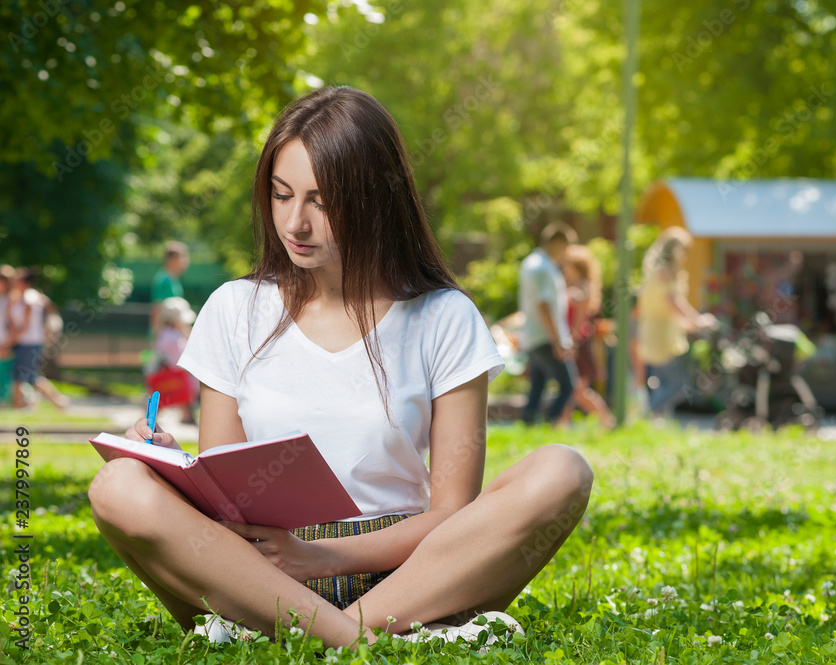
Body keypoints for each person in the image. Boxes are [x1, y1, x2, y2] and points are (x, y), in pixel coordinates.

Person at [87, 86, 593, 649]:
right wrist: (166, 466)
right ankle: (359, 644)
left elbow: (452, 514)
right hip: (260, 573)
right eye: (281, 195)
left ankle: (335, 636)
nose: (295, 223)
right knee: (119, 485)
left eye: (321, 202)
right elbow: (225, 499)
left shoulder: (443, 316)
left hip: (409, 577)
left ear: (375, 199)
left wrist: (320, 557)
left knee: (562, 470)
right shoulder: (235, 308)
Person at [635, 227, 716, 421]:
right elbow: (672, 302)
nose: (685, 255)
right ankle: (646, 416)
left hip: (659, 331)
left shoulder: (656, 270)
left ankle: (657, 422)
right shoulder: (665, 271)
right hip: (662, 334)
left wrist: (689, 324)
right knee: (678, 384)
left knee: (663, 383)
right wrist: (697, 320)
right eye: (684, 250)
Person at [518, 222, 578, 426]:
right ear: (558, 243)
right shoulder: (542, 268)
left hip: (533, 335)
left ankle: (529, 426)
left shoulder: (531, 263)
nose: (566, 253)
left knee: (537, 387)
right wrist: (557, 340)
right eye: (566, 247)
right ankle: (550, 425)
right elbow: (543, 306)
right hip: (545, 337)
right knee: (569, 385)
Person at [560, 244, 616, 428]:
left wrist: (572, 344)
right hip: (576, 341)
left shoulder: (582, 288)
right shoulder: (572, 286)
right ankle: (562, 423)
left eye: (567, 264)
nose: (564, 268)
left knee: (578, 389)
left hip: (580, 343)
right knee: (573, 389)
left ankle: (607, 420)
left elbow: (579, 320)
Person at [8, 267, 69, 409]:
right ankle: (19, 405)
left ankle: (59, 401)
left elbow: (24, 325)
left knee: (30, 376)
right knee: (22, 375)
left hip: (30, 342)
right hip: (23, 342)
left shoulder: (30, 297)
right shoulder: (20, 297)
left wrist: (9, 341)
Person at [147, 296, 198, 424]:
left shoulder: (165, 333)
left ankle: (187, 417)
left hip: (169, 373)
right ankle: (187, 417)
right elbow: (181, 356)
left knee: (171, 398)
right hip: (175, 374)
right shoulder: (173, 337)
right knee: (173, 397)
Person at [149, 241, 190, 336]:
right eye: (183, 257)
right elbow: (157, 308)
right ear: (172, 259)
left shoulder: (173, 279)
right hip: (166, 334)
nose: (186, 262)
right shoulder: (164, 280)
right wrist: (155, 335)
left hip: (172, 333)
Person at [0, 265, 14, 404]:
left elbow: (12, 323)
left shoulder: (10, 300)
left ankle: (4, 400)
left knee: (4, 372)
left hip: (5, 341)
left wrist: (8, 342)